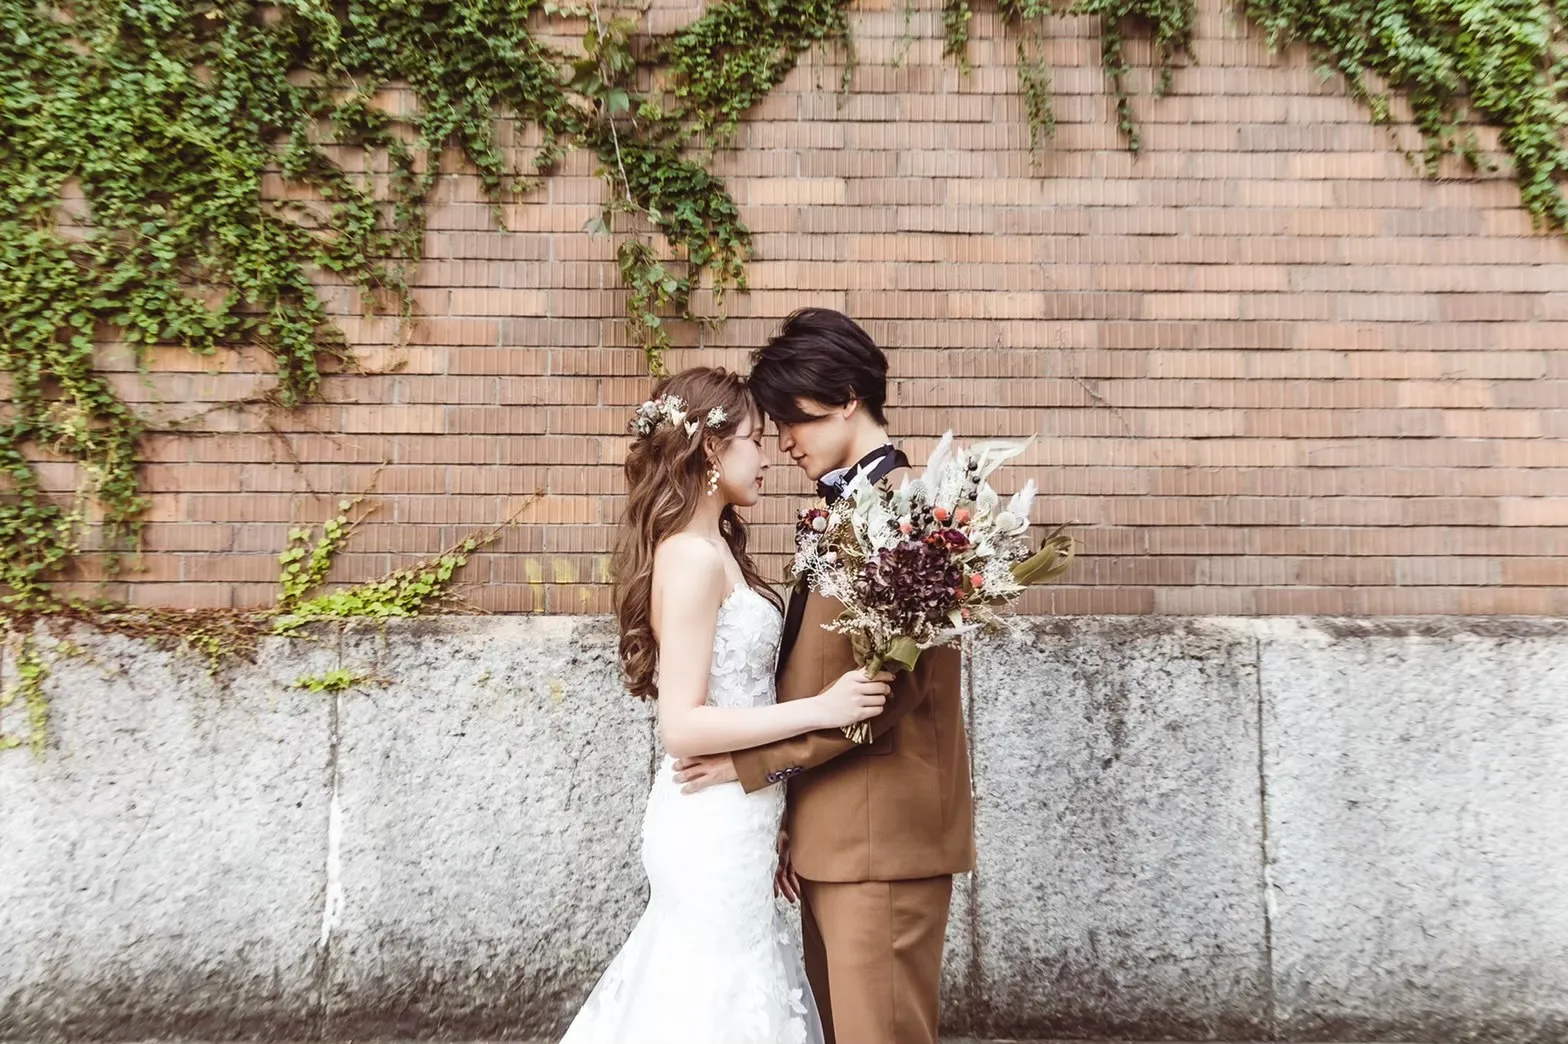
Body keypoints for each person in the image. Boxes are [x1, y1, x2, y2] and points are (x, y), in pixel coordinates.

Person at [560, 365, 893, 1044]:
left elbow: (743, 696)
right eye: (755, 440)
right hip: (707, 825)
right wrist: (823, 709)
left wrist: (775, 804)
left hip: (742, 819)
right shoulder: (691, 557)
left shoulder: (721, 550)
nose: (769, 458)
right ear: (712, 448)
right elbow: (682, 725)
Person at [674, 310, 976, 1044]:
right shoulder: (847, 510)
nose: (782, 440)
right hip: (831, 838)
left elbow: (885, 691)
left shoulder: (910, 515)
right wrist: (789, 817)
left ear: (846, 397)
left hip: (883, 841)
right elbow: (819, 673)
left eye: (792, 419)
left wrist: (751, 765)